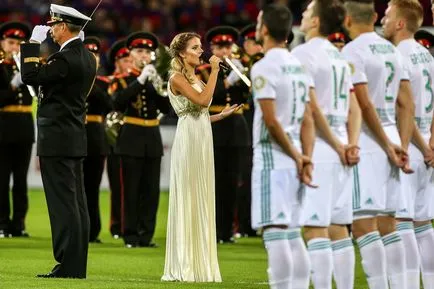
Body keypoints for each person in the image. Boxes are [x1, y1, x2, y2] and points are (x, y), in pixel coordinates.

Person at [342, 0, 415, 288]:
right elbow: (406, 103)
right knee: (389, 224)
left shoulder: (352, 51)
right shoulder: (392, 50)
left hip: (371, 142)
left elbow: (364, 104)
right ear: (373, 16)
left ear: (347, 19)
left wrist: (385, 145)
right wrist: (402, 145)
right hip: (394, 136)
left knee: (363, 225)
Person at [20, 4, 96, 278]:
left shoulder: (64, 59)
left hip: (58, 138)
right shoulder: (86, 57)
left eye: (53, 25)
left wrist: (31, 44)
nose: (50, 30)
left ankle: (68, 265)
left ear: (64, 27)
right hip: (73, 136)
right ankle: (75, 265)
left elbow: (29, 75)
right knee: (76, 203)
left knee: (63, 204)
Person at [292, 1, 361, 288]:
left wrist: (334, 144)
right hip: (343, 147)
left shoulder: (302, 54)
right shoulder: (338, 55)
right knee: (339, 227)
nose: (303, 16)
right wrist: (351, 144)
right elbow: (354, 107)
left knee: (315, 227)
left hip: (320, 146)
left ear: (316, 21)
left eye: (308, 13)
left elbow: (311, 107)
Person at [162, 32, 241, 283]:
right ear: (182, 53)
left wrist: (222, 115)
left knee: (201, 194)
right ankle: (185, 264)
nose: (201, 51)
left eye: (200, 47)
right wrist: (216, 70)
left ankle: (199, 264)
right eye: (195, 48)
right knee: (189, 196)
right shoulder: (176, 77)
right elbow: (203, 100)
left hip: (201, 134)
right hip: (189, 141)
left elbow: (200, 113)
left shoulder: (193, 76)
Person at [251, 4, 317, 289]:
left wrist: (295, 155)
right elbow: (307, 119)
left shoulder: (264, 66)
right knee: (292, 232)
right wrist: (305, 157)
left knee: (275, 232)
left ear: (264, 29)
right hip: (294, 160)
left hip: (273, 158)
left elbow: (271, 122)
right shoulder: (298, 65)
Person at [381, 1, 434, 288]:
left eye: (388, 16)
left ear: (400, 23)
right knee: (423, 225)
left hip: (410, 148)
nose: (383, 20)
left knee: (402, 224)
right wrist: (432, 143)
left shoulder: (396, 56)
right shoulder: (427, 55)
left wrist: (423, 147)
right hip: (427, 148)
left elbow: (405, 108)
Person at [112, 31, 170, 248]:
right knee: (131, 190)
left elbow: (167, 109)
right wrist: (139, 80)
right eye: (139, 51)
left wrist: (158, 87)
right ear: (131, 54)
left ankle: (147, 235)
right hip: (131, 137)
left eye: (147, 51)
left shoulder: (156, 79)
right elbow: (117, 102)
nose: (144, 55)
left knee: (151, 191)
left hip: (152, 138)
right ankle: (131, 235)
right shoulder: (122, 79)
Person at [199, 26, 250, 243]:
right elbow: (210, 96)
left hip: (236, 130)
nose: (224, 51)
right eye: (219, 47)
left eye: (227, 46)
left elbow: (248, 96)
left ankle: (228, 231)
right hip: (215, 128)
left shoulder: (240, 68)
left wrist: (245, 75)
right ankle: (212, 230)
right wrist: (227, 81)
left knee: (233, 182)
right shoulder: (203, 71)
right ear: (212, 48)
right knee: (214, 181)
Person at [0, 21, 34, 238]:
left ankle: (19, 223)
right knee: (2, 179)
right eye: (11, 42)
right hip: (3, 127)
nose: (15, 47)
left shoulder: (28, 66)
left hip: (24, 128)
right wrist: (13, 85)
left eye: (19, 43)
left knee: (21, 180)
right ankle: (2, 223)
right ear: (2, 42)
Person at [82, 36, 113, 243]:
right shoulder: (70, 79)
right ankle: (78, 230)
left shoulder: (103, 83)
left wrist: (90, 80)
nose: (93, 57)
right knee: (76, 189)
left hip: (94, 138)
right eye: (88, 54)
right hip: (75, 136)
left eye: (95, 54)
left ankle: (93, 231)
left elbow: (110, 104)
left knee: (92, 189)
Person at [106, 39, 132, 239]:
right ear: (117, 62)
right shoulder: (112, 81)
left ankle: (131, 222)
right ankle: (117, 224)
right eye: (124, 59)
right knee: (118, 183)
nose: (129, 62)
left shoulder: (135, 80)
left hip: (132, 135)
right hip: (114, 137)